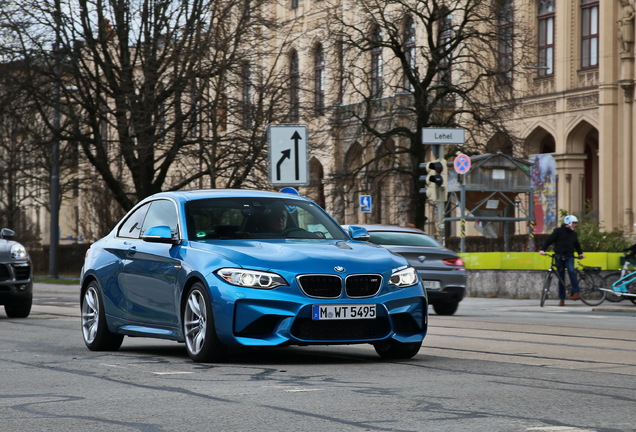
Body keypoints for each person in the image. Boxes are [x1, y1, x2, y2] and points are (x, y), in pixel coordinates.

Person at [539, 215, 585, 306]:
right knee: (561, 278)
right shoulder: (558, 231)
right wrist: (542, 249)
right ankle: (562, 299)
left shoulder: (573, 234)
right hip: (559, 257)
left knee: (572, 271)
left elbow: (577, 244)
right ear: (568, 223)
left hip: (569, 257)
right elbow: (549, 240)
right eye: (574, 223)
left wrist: (580, 253)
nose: (575, 225)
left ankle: (576, 293)